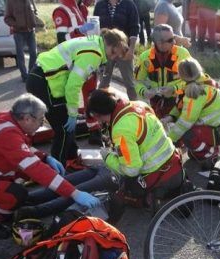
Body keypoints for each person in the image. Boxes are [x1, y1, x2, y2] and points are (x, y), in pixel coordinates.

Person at [0, 94, 101, 239]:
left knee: (22, 180)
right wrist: (75, 193)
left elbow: (23, 147)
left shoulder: (5, 119)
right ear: (27, 118)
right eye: (41, 120)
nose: (42, 124)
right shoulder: (7, 134)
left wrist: (45, 157)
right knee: (16, 194)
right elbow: (36, 169)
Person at [26, 29, 131, 170]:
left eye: (116, 57)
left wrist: (71, 113)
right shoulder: (94, 54)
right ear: (110, 44)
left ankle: (71, 158)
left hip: (45, 78)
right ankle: (57, 169)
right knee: (63, 129)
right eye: (113, 53)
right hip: (44, 81)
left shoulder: (95, 42)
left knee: (67, 126)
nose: (112, 58)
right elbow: (73, 86)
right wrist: (73, 113)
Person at [88, 89, 185, 206]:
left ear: (97, 115)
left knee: (127, 187)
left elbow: (132, 170)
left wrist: (108, 157)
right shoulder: (139, 105)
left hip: (156, 174)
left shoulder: (121, 130)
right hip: (174, 161)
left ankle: (154, 197)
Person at [164, 58, 220, 163]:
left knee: (187, 135)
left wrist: (169, 139)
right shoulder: (204, 80)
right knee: (194, 152)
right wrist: (171, 116)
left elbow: (185, 122)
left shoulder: (194, 94)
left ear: (181, 75)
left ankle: (214, 152)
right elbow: (181, 106)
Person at [52, 0, 102, 145]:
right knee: (69, 95)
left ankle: (94, 130)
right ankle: (68, 135)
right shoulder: (61, 10)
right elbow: (61, 39)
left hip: (86, 57)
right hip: (72, 61)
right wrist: (79, 30)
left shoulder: (81, 7)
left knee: (91, 95)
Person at [134, 24, 193, 118]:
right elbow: (137, 82)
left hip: (179, 100)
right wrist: (144, 92)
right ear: (159, 43)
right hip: (155, 102)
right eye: (170, 40)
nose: (174, 42)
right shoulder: (145, 58)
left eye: (173, 37)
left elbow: (194, 80)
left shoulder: (183, 54)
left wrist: (174, 89)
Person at [93, 0, 141, 100]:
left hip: (124, 51)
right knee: (103, 82)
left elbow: (134, 27)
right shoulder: (100, 5)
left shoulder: (129, 4)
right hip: (105, 51)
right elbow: (95, 27)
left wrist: (131, 49)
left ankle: (136, 107)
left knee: (130, 84)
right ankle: (101, 107)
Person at [5, 0, 40, 82]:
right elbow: (7, 18)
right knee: (20, 55)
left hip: (31, 31)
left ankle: (31, 74)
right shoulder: (11, 2)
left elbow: (35, 12)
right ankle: (24, 76)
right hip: (18, 32)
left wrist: (35, 21)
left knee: (34, 53)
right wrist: (15, 24)